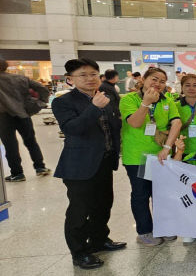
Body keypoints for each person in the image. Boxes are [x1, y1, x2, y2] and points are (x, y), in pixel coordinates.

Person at [52, 59, 126, 270]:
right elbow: (72, 129)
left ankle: (99, 240)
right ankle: (79, 252)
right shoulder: (63, 102)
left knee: (103, 205)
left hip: (104, 162)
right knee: (79, 210)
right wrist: (94, 108)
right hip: (79, 165)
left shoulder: (105, 97)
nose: (90, 78)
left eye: (94, 74)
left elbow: (114, 127)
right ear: (70, 79)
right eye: (83, 75)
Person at [119, 67, 182, 247]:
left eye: (162, 81)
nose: (158, 84)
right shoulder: (129, 99)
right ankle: (144, 231)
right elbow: (135, 122)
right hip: (136, 157)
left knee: (161, 194)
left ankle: (163, 227)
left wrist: (168, 147)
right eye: (154, 79)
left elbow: (176, 122)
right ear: (144, 79)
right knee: (141, 194)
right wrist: (145, 103)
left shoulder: (167, 100)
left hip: (159, 156)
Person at [0, 58, 51, 181]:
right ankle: (40, 167)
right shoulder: (19, 78)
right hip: (22, 114)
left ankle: (17, 173)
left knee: (10, 145)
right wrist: (40, 102)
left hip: (3, 117)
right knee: (31, 141)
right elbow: (42, 89)